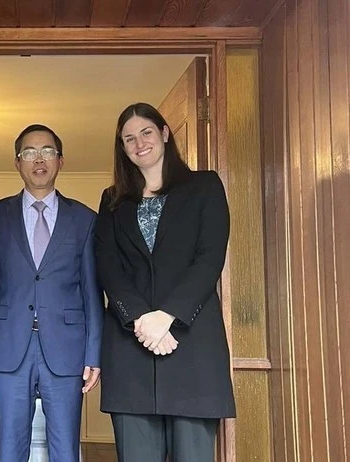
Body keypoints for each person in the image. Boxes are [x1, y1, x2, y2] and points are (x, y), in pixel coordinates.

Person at [95, 102, 236, 461]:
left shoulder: (204, 186)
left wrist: (167, 315)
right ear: (122, 147)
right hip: (131, 346)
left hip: (190, 346)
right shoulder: (112, 200)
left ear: (164, 133)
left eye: (146, 132)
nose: (139, 143)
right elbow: (109, 266)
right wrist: (142, 319)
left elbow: (209, 258)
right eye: (129, 138)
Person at [0, 124, 103, 461]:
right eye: (29, 152)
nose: (38, 159)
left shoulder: (85, 219)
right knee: (11, 447)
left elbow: (92, 291)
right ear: (17, 162)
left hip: (67, 348)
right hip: (7, 344)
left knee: (65, 448)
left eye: (47, 151)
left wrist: (94, 354)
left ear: (61, 161)